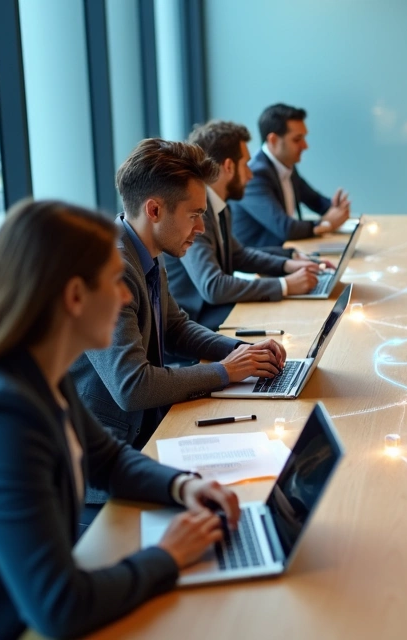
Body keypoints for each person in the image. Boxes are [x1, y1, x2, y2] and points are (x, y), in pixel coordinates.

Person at [0, 200, 242, 640]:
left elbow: (108, 460)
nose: (126, 297)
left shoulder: (38, 371)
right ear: (74, 297)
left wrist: (183, 486)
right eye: (114, 282)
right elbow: (59, 606)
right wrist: (169, 555)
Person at [71, 139, 285, 487]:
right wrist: (225, 371)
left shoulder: (146, 250)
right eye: (194, 215)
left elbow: (175, 328)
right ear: (154, 210)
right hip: (113, 460)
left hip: (149, 430)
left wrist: (239, 352)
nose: (201, 229)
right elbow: (132, 387)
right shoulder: (110, 269)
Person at [164, 120, 329, 329]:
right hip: (196, 322)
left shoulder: (219, 205)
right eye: (246, 165)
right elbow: (213, 286)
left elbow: (239, 255)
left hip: (214, 312)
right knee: (292, 320)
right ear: (229, 166)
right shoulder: (196, 214)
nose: (251, 174)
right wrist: (285, 285)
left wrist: (287, 265)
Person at [230, 103, 351, 250]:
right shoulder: (254, 176)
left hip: (285, 252)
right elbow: (286, 228)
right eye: (297, 139)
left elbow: (315, 201)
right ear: (273, 140)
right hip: (261, 259)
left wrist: (336, 207)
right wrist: (326, 224)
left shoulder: (285, 165)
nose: (305, 146)